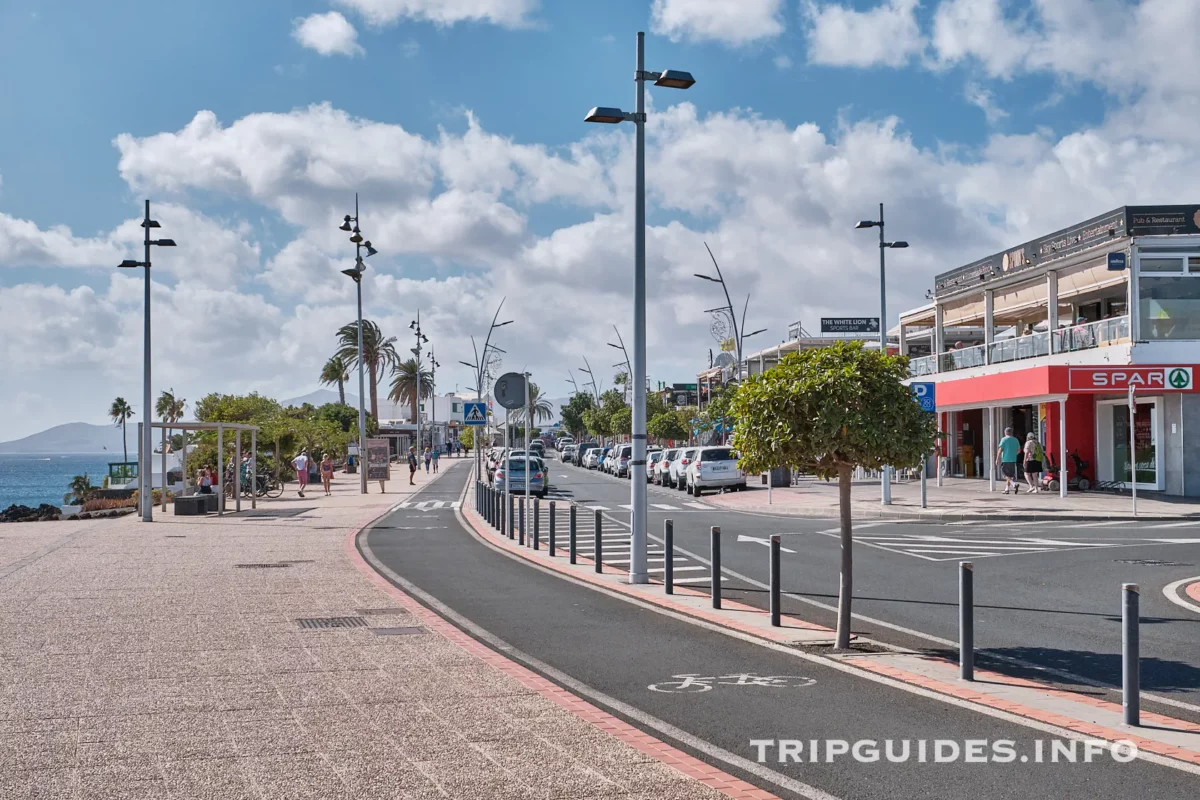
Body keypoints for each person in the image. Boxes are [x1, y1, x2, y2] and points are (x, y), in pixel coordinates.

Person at [996, 426, 1021, 494]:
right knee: (1010, 475)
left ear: (1005, 432)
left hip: (1005, 460)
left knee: (1005, 475)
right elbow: (1019, 450)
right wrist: (1013, 454)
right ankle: (1007, 489)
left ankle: (1013, 484)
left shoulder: (1004, 439)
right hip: (1013, 460)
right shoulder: (1015, 440)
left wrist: (997, 459)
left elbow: (1000, 450)